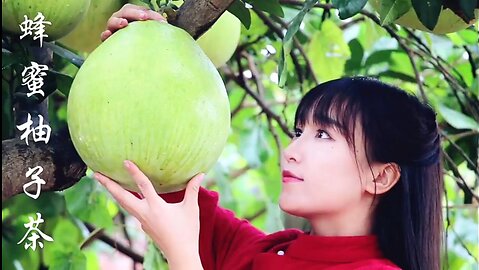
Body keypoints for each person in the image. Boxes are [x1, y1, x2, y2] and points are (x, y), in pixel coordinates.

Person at [93, 4, 444, 270]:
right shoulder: (261, 252)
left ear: (381, 175)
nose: (292, 151)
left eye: (323, 134)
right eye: (298, 131)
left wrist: (183, 255)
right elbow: (155, 174)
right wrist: (138, 54)